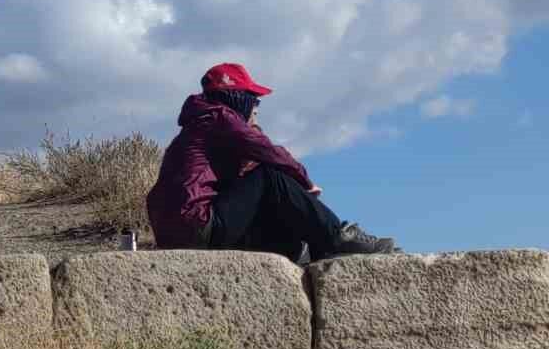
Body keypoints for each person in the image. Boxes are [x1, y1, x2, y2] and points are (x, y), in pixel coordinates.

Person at [145, 63, 398, 262]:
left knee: (267, 191)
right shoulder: (219, 117)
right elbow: (270, 153)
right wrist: (305, 182)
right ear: (236, 97)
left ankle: (305, 250)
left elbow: (247, 184)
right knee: (270, 175)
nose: (256, 107)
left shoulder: (200, 125)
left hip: (179, 230)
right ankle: (339, 237)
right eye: (253, 99)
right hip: (197, 225)